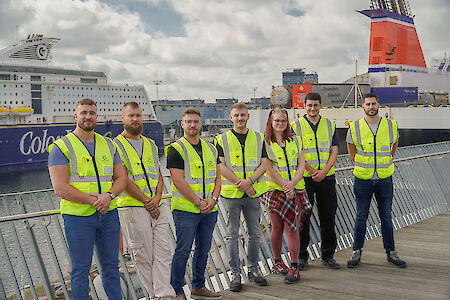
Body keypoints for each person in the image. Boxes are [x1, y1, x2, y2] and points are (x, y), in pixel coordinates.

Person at [48, 98, 127, 300]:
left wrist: (109, 196)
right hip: (78, 218)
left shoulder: (109, 145)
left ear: (97, 116)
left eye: (92, 113)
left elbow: (121, 178)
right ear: (76, 116)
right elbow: (60, 188)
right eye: (83, 113)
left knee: (111, 268)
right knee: (80, 271)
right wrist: (95, 201)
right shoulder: (61, 146)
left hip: (108, 214)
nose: (88, 116)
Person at [113, 102, 175, 299]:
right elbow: (122, 179)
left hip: (156, 206)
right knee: (143, 256)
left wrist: (156, 199)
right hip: (132, 208)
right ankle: (154, 295)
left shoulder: (149, 143)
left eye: (138, 115)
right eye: (130, 116)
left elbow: (157, 173)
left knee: (163, 253)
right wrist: (148, 202)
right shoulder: (115, 145)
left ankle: (165, 295)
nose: (135, 119)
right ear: (123, 118)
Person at [165, 109, 222, 300]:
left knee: (203, 249)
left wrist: (213, 200)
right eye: (188, 122)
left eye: (196, 122)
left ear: (201, 123)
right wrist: (199, 202)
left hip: (209, 209)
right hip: (186, 210)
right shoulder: (176, 149)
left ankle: (198, 286)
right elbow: (178, 181)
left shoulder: (211, 148)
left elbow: (217, 177)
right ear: (182, 124)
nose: (192, 125)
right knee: (183, 250)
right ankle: (177, 290)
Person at [214, 102, 270, 292]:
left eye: (242, 115)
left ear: (248, 117)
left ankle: (253, 269)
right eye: (236, 115)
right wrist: (242, 183)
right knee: (232, 235)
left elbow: (265, 164)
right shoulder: (221, 139)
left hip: (253, 192)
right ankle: (235, 274)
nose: (239, 118)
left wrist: (250, 181)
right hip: (231, 194)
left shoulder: (258, 138)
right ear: (231, 118)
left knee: (255, 233)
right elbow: (220, 166)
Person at [346, 93, 406, 268]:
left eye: (373, 104)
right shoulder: (355, 126)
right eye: (367, 104)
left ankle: (391, 253)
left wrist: (384, 161)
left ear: (378, 105)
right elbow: (351, 148)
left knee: (386, 217)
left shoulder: (390, 125)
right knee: (360, 217)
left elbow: (394, 145)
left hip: (384, 177)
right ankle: (356, 253)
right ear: (363, 107)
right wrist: (359, 163)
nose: (371, 107)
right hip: (363, 179)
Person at [291, 92, 340, 270]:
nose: (312, 108)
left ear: (321, 106)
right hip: (305, 179)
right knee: (303, 218)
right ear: (304, 106)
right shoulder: (295, 126)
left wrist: (324, 171)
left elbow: (334, 150)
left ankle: (328, 256)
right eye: (309, 105)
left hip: (327, 178)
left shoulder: (329, 125)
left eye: (316, 105)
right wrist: (312, 171)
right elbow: (297, 153)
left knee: (328, 217)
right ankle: (302, 257)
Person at [262, 109, 309, 284]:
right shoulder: (265, 142)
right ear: (271, 122)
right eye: (277, 121)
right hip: (274, 190)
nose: (280, 123)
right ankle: (277, 262)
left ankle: (294, 266)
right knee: (277, 228)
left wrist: (292, 184)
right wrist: (284, 185)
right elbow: (268, 168)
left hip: (295, 189)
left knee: (293, 228)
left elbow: (301, 163)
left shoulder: (294, 139)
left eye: (283, 120)